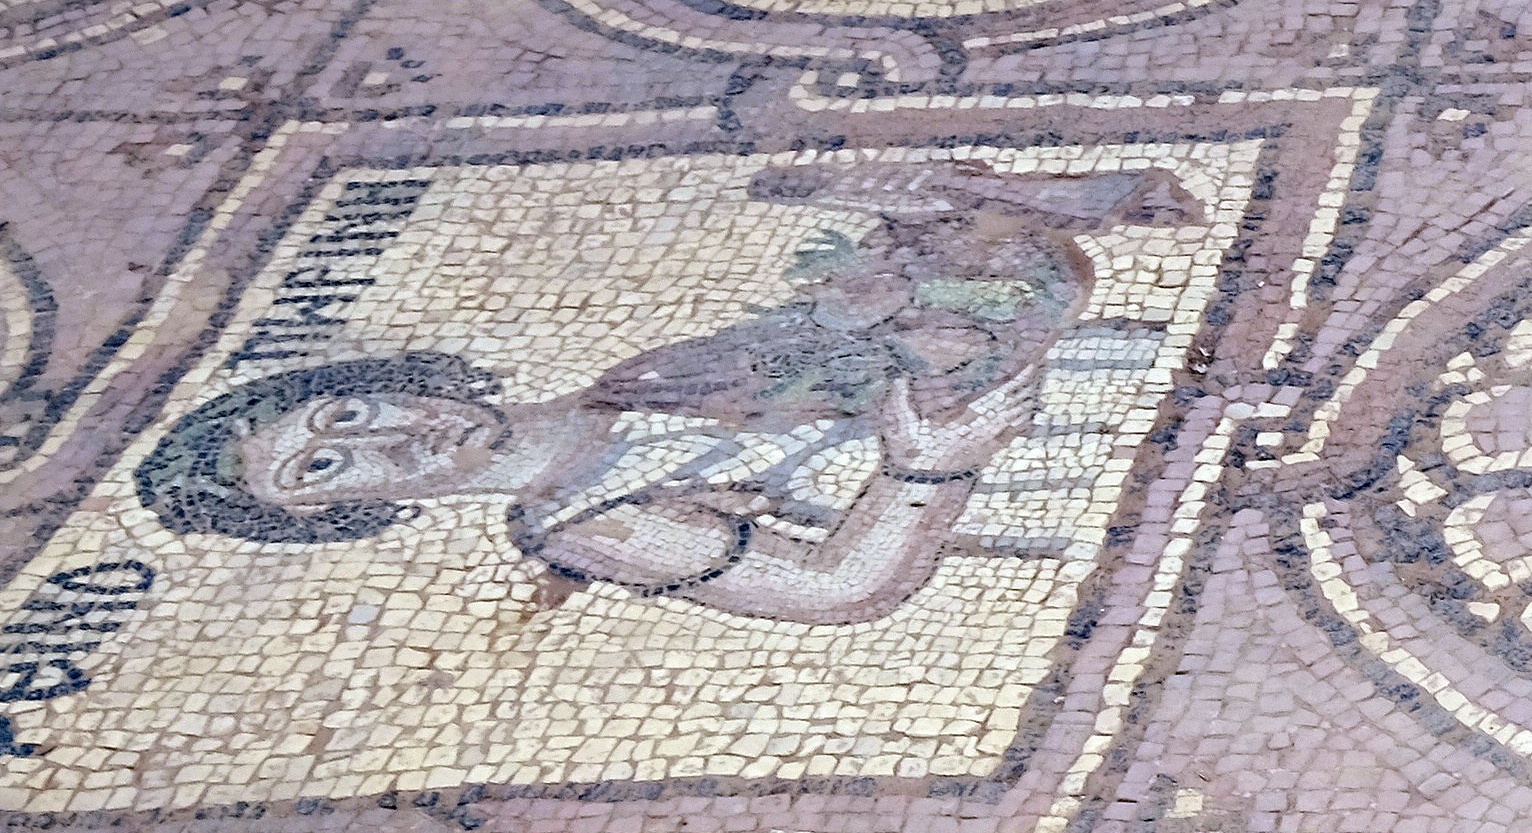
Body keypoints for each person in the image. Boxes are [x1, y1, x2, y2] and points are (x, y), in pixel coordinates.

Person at [130, 161, 1200, 628]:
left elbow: (858, 345)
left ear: (385, 382)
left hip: (1114, 378)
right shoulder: (586, 526)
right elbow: (838, 586)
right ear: (338, 512)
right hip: (1076, 481)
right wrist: (933, 462)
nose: (392, 441)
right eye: (327, 466)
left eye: (349, 413)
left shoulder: (634, 384)